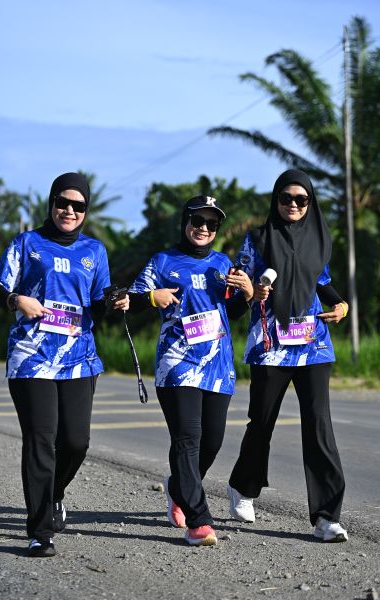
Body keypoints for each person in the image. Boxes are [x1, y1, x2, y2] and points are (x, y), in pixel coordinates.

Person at [0, 172, 129, 557]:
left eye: (78, 206)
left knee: (76, 442)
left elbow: (99, 303)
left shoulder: (94, 251)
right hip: (32, 357)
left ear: (86, 211)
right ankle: (40, 530)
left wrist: (115, 303)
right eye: (62, 203)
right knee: (40, 438)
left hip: (79, 358)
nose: (69, 210)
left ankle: (55, 493)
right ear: (51, 204)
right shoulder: (27, 243)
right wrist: (16, 300)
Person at [227, 169, 349, 542]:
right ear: (275, 200)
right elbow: (237, 296)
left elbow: (322, 282)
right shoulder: (257, 239)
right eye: (286, 198)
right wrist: (252, 293)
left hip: (314, 344)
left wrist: (341, 304)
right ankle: (243, 486)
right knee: (262, 422)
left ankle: (326, 516)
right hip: (270, 344)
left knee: (319, 425)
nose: (293, 205)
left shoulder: (319, 237)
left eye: (301, 199)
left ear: (310, 203)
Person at [129, 196, 253, 546]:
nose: (203, 228)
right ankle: (199, 522)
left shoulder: (223, 264)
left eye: (211, 223)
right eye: (197, 220)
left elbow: (231, 313)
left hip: (217, 365)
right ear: (185, 222)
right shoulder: (163, 261)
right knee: (188, 439)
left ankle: (179, 487)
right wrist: (151, 297)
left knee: (211, 442)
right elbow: (131, 300)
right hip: (177, 364)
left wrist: (246, 295)